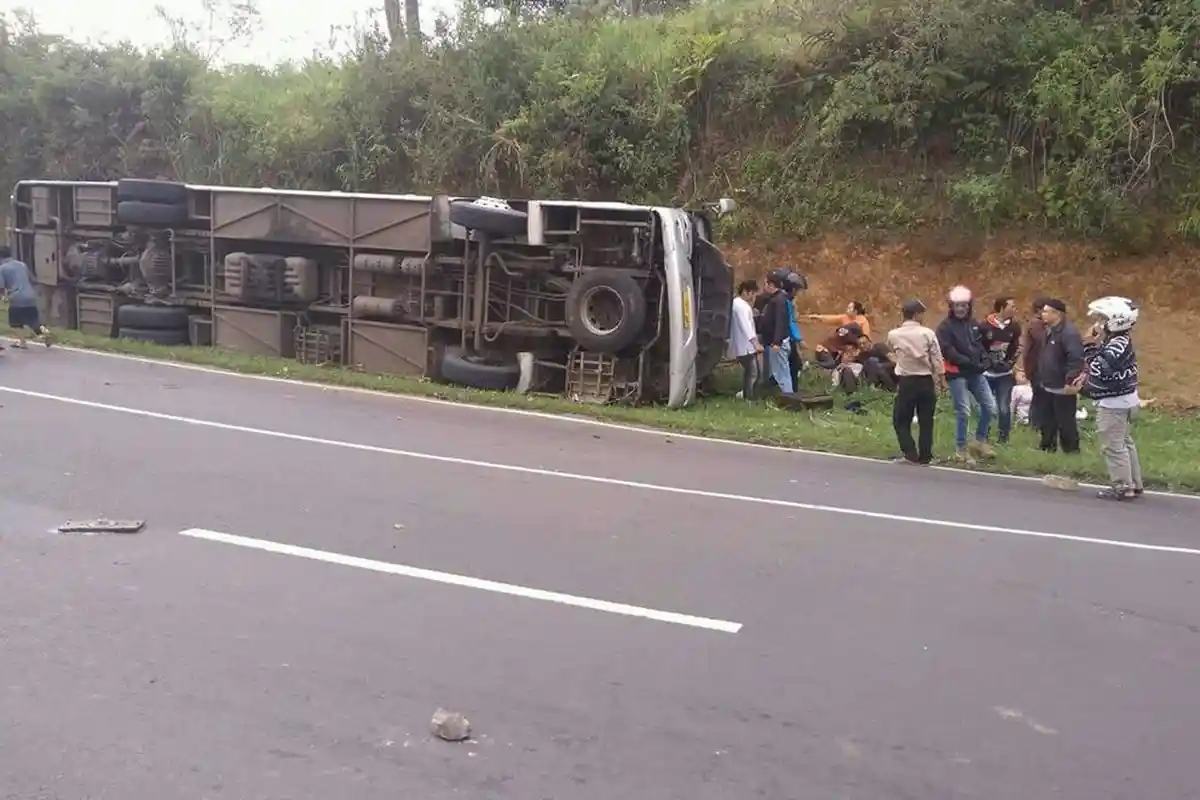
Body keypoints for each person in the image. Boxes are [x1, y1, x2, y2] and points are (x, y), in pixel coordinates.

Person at [1081, 296, 1143, 501]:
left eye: (1102, 319)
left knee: (1114, 446)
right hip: (1126, 399)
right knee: (1125, 442)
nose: (1098, 324)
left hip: (1115, 403)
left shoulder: (1116, 346)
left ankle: (1123, 487)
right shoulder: (1119, 340)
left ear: (1116, 320)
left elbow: (1100, 370)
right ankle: (1134, 483)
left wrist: (1089, 345)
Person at [936, 286, 997, 462]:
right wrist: (969, 362)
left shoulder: (973, 324)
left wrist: (986, 360)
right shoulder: (945, 327)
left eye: (964, 305)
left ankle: (980, 441)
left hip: (975, 373)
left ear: (969, 306)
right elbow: (948, 351)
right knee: (964, 411)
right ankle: (961, 449)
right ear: (951, 307)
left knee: (990, 407)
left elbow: (979, 345)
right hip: (956, 373)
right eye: (957, 306)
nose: (961, 309)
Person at [886, 299, 946, 465]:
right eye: (921, 313)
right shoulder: (927, 333)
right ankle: (926, 456)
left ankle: (910, 452)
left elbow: (892, 351)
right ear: (916, 314)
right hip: (925, 380)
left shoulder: (894, 334)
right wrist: (942, 380)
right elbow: (937, 358)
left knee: (900, 419)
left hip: (907, 381)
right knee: (926, 420)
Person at [1036, 298, 1085, 453]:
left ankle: (1071, 452)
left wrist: (1070, 381)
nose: (1042, 314)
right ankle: (1047, 449)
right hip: (1047, 385)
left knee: (1065, 422)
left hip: (1062, 387)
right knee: (1047, 421)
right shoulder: (1049, 330)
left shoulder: (1068, 333)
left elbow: (1076, 358)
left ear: (1057, 314)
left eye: (1045, 311)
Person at [979, 296, 1022, 444]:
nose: (1014, 309)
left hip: (1005, 374)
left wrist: (1010, 363)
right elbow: (979, 347)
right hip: (986, 374)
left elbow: (1016, 348)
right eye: (1011, 306)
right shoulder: (985, 326)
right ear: (1002, 308)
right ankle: (983, 437)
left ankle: (1003, 439)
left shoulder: (1014, 327)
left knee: (1004, 408)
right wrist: (987, 361)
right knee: (987, 407)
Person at [0, 245, 53, 349]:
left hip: (16, 298)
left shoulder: (2, 268)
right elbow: (32, 279)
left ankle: (22, 343)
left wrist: (4, 297)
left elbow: (1, 287)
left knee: (15, 322)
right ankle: (46, 333)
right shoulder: (22, 265)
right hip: (31, 296)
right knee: (33, 320)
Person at [758, 269, 794, 395]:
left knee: (781, 372)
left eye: (765, 284)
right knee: (779, 371)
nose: (764, 287)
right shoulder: (776, 299)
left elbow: (781, 321)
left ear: (771, 285)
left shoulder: (779, 300)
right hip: (774, 341)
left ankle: (789, 397)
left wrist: (777, 342)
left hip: (777, 343)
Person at [1020, 297, 1050, 431]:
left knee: (1040, 397)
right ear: (1039, 310)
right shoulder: (1036, 325)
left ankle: (1037, 423)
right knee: (1040, 396)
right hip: (1036, 368)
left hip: (1039, 367)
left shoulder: (1041, 325)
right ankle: (1036, 424)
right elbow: (1043, 340)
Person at [729, 280, 761, 400]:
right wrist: (755, 343)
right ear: (747, 292)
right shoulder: (741, 306)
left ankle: (751, 397)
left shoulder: (737, 304)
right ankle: (749, 398)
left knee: (752, 372)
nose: (754, 297)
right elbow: (746, 326)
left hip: (744, 346)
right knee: (753, 373)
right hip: (745, 346)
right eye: (753, 294)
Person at [784, 271, 807, 390]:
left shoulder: (788, 301)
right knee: (794, 364)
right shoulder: (786, 302)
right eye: (799, 290)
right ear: (793, 289)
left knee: (793, 364)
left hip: (786, 338)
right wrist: (799, 339)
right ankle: (792, 391)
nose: (800, 293)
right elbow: (790, 321)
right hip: (785, 339)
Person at [807, 301, 872, 340]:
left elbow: (866, 338)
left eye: (849, 308)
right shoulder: (845, 317)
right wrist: (817, 317)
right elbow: (831, 318)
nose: (847, 309)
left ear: (855, 311)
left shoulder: (863, 321)